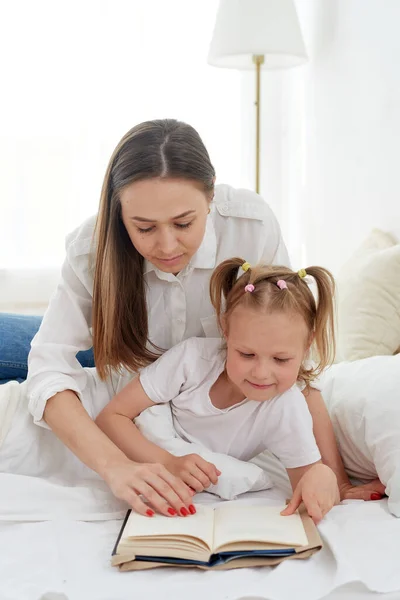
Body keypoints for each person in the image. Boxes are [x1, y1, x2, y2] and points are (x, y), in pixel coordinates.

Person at [0, 119, 384, 514]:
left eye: (184, 223)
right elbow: (47, 369)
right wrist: (118, 467)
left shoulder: (249, 226)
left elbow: (294, 360)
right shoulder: (91, 248)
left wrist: (334, 478)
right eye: (144, 227)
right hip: (111, 357)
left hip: (149, 381)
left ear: (211, 195)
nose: (167, 246)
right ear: (119, 210)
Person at [95, 260, 341, 523]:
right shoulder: (191, 360)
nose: (261, 373)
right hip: (132, 433)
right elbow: (111, 417)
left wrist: (326, 479)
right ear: (225, 330)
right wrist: (167, 461)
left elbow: (307, 483)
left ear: (307, 346)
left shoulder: (286, 406)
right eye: (246, 354)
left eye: (281, 360)